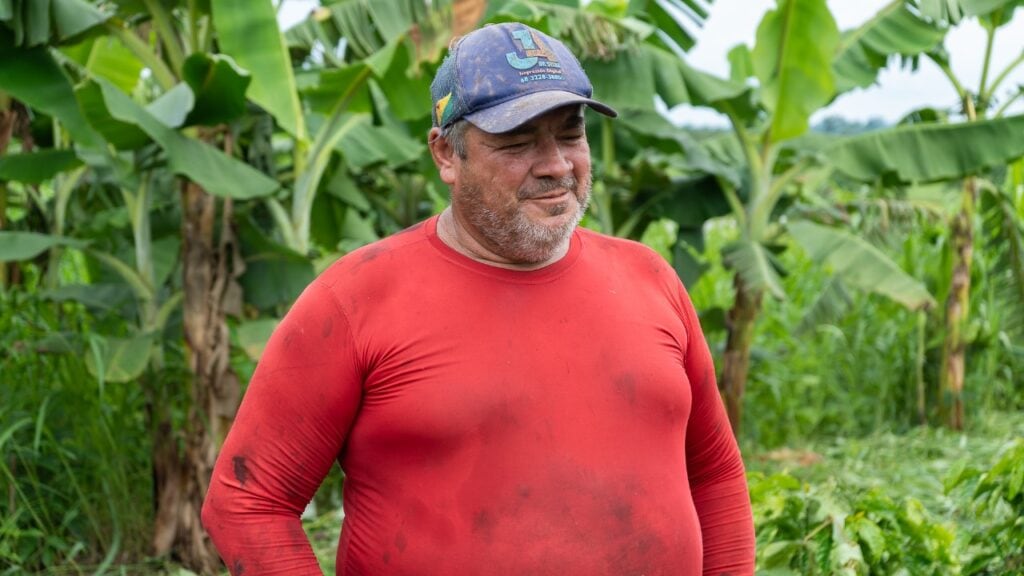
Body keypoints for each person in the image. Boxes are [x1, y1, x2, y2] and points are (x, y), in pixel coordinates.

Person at [202, 22, 755, 575]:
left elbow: (715, 475)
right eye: (517, 143)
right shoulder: (356, 300)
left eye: (570, 134)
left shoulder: (648, 278)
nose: (556, 165)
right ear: (446, 154)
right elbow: (249, 501)